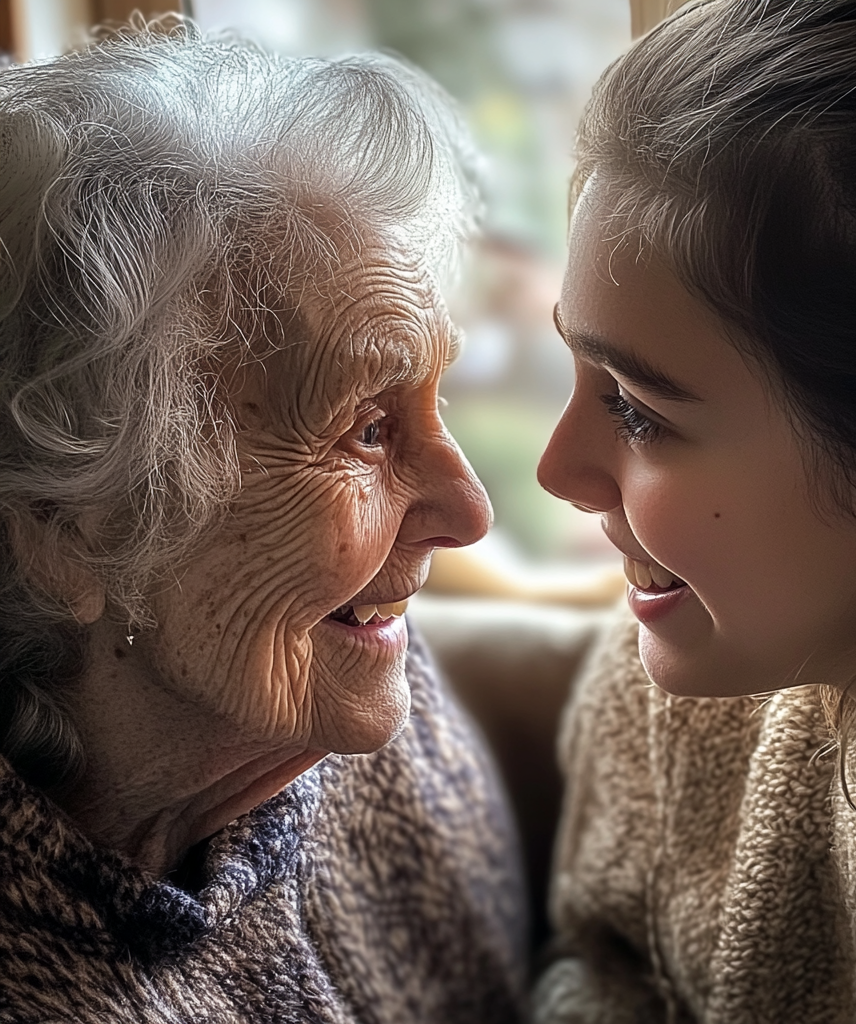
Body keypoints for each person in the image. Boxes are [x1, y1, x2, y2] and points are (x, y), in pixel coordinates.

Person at [0, 19, 526, 1023]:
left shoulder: (361, 700)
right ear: (67, 528)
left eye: (435, 402)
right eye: (367, 430)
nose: (468, 510)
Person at [533, 1, 856, 1020]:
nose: (555, 469)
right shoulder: (677, 701)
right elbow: (598, 963)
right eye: (572, 369)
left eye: (634, 409)